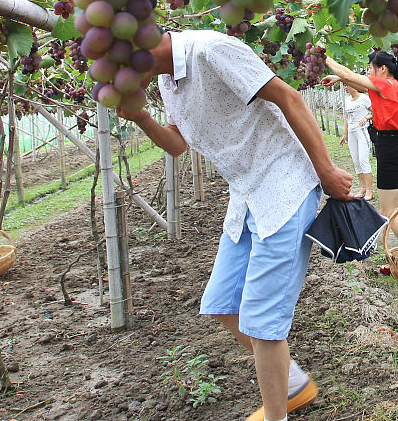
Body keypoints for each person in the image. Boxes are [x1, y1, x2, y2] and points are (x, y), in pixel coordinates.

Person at [116, 30, 353, 421]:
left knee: (263, 323)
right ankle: (291, 383)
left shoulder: (211, 51)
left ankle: (278, 413)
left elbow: (289, 98)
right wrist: (141, 116)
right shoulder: (164, 77)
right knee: (223, 303)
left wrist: (326, 171)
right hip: (246, 194)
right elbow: (178, 144)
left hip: (283, 184)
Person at [321, 51, 398, 246]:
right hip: (396, 148)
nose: (369, 73)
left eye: (371, 68)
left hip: (389, 151)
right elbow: (355, 83)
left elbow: (350, 76)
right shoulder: (396, 87)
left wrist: (324, 57)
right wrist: (338, 78)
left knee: (388, 211)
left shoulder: (385, 84)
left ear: (382, 69)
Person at [340, 84, 374, 201]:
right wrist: (345, 134)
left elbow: (375, 112)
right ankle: (362, 188)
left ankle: (370, 190)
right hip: (352, 132)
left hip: (362, 131)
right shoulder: (347, 100)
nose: (345, 87)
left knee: (363, 160)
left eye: (347, 85)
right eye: (344, 85)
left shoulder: (364, 98)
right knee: (356, 161)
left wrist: (366, 118)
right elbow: (347, 118)